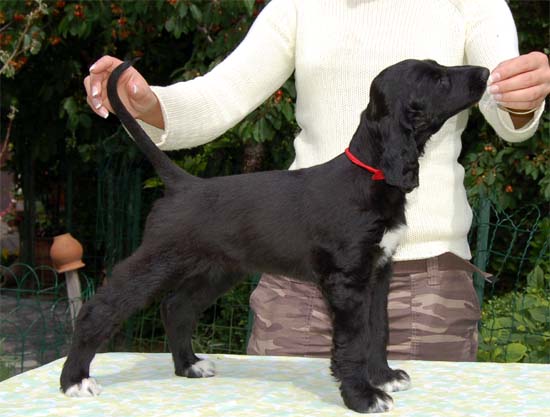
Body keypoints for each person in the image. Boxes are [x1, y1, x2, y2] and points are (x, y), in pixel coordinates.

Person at [84, 0, 549, 362]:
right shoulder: (298, 5)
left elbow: (502, 101)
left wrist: (522, 97)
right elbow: (223, 94)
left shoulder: (473, 4)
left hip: (428, 289)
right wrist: (146, 103)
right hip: (301, 284)